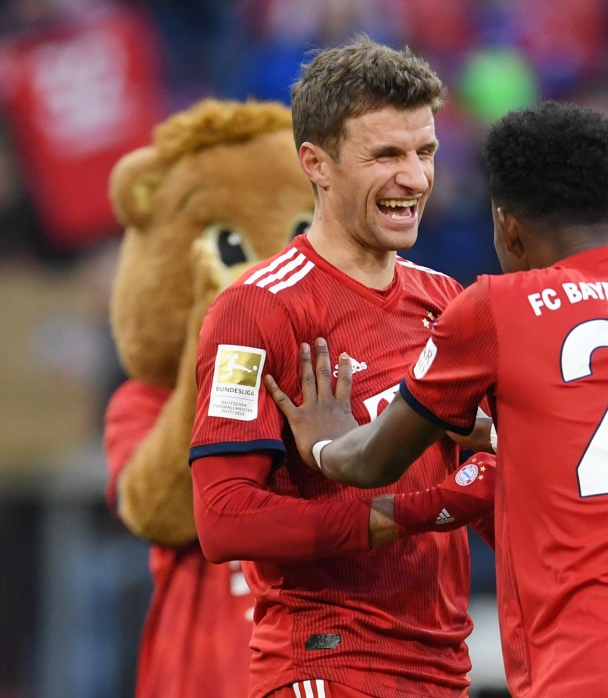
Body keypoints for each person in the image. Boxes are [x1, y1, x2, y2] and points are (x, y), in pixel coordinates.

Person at [265, 101, 608, 698]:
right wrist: (497, 431)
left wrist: (327, 441)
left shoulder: (496, 309)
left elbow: (370, 463)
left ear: (506, 226)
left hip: (593, 677)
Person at [188, 38, 495, 698]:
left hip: (442, 667)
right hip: (328, 660)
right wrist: (416, 509)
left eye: (426, 152)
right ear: (316, 164)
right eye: (386, 154)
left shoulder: (449, 302)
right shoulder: (255, 313)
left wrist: (490, 458)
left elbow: (501, 483)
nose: (414, 178)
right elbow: (224, 519)